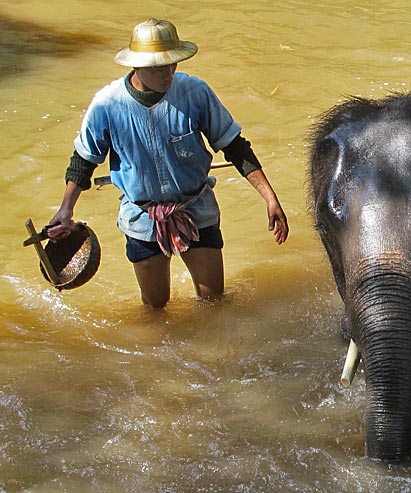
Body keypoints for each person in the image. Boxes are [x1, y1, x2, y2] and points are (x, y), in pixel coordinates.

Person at [47, 18, 289, 308]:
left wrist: (269, 197)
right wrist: (65, 210)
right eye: (159, 67)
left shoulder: (194, 93)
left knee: (214, 302)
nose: (169, 74)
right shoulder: (107, 104)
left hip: (194, 207)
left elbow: (234, 146)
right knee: (155, 307)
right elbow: (83, 161)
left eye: (172, 64)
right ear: (136, 65)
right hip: (142, 215)